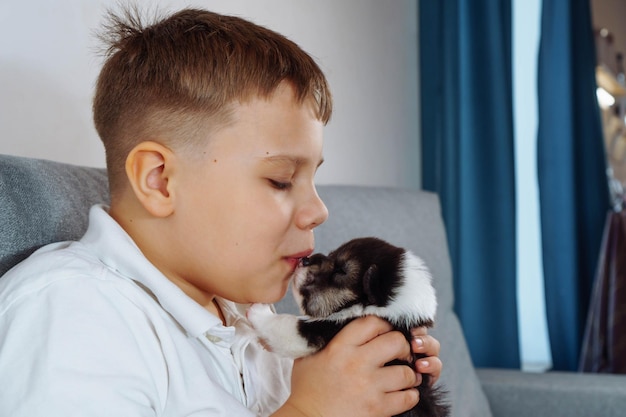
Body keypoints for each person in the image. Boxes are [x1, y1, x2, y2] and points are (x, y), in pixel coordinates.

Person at [0, 6, 442, 417]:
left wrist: (376, 389)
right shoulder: (72, 311)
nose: (317, 211)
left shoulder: (248, 319)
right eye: (281, 180)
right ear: (159, 180)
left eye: (313, 180)